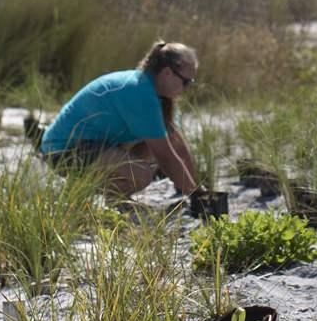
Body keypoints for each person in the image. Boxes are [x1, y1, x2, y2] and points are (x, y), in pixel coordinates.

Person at [37, 39, 211, 214]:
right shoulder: (140, 93)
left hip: (94, 146)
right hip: (61, 152)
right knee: (141, 174)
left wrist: (194, 189)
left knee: (150, 149)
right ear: (167, 73)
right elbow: (166, 156)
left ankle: (106, 195)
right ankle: (99, 197)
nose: (187, 88)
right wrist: (195, 196)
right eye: (186, 82)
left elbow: (177, 145)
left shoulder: (154, 92)